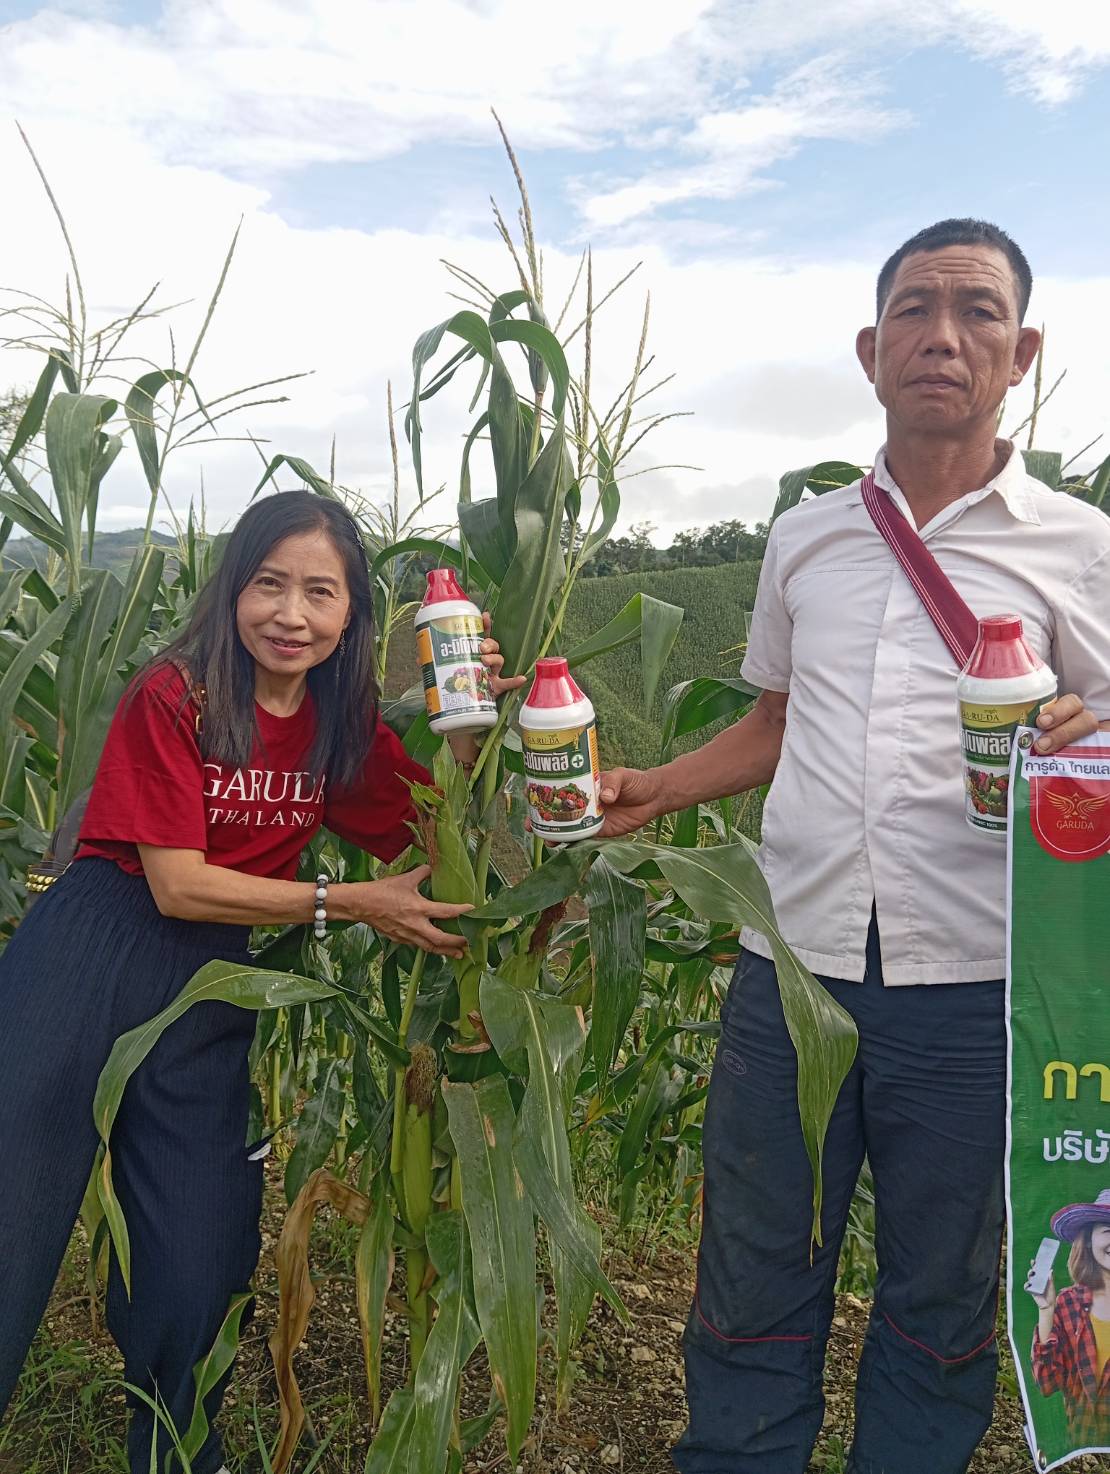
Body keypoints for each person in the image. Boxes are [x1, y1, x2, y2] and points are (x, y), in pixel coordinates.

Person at [598, 219, 1110, 1473]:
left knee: (940, 1292)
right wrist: (655, 788)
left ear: (1023, 352)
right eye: (916, 310)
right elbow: (777, 721)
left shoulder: (1077, 545)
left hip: (979, 983)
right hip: (794, 968)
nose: (945, 336)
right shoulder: (809, 534)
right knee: (753, 1270)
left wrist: (1085, 734)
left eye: (979, 312)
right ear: (872, 351)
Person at [0, 490, 522, 1474]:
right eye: (269, 584)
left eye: (320, 592)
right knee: (8, 1221)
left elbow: (437, 831)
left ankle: (175, 1454)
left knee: (198, 1262)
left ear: (353, 614)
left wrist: (467, 731)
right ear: (233, 590)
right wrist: (347, 901)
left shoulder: (339, 726)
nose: (291, 613)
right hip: (92, 947)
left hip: (214, 981)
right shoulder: (177, 694)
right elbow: (178, 883)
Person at [1028, 1190, 1110, 1445]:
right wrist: (1046, 1310)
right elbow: (1047, 1383)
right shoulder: (1069, 1302)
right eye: (1108, 1230)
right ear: (1089, 1240)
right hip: (1081, 1448)